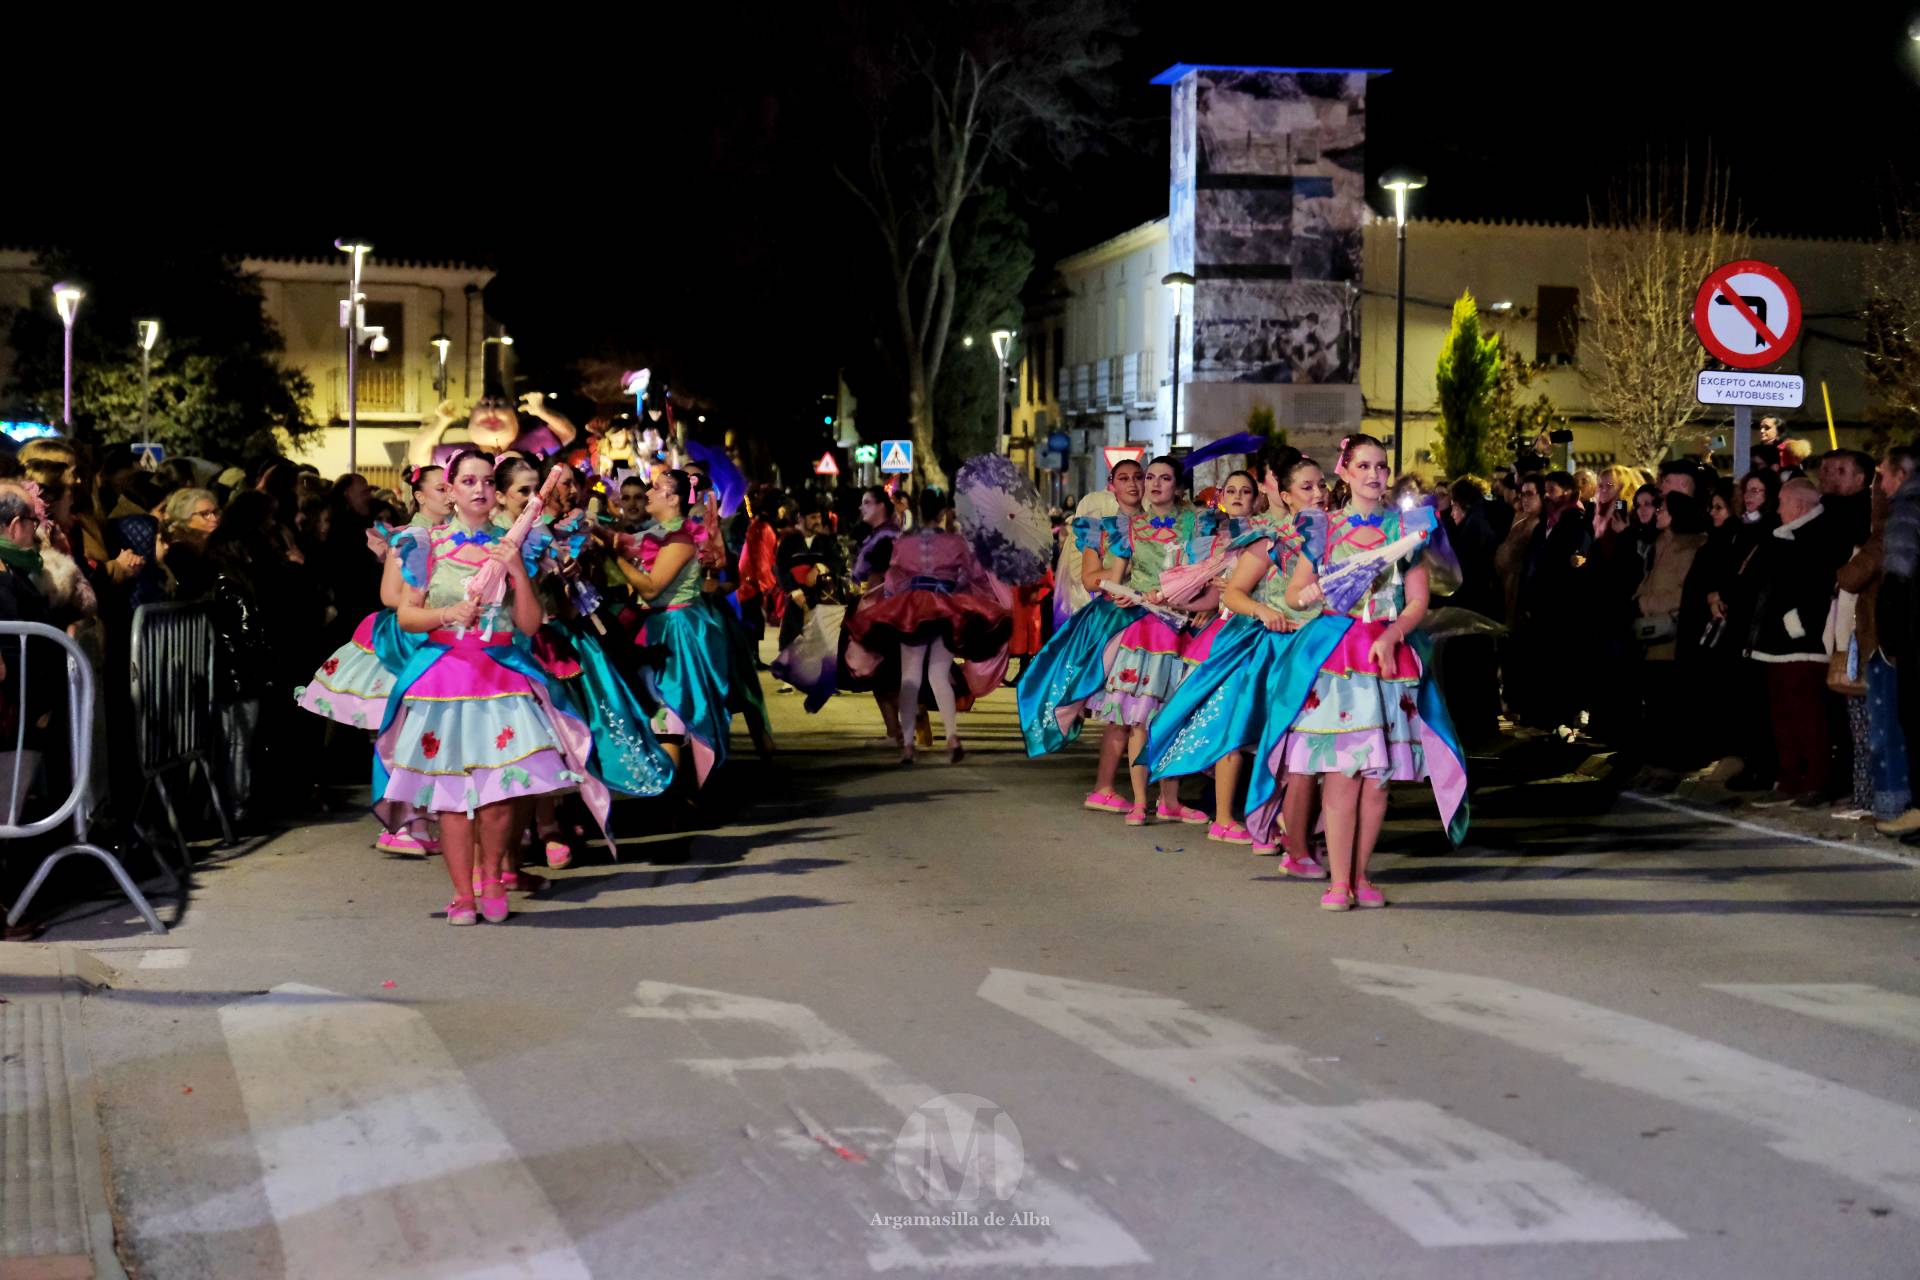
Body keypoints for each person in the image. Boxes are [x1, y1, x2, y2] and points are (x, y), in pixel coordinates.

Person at [1206, 434, 1468, 910]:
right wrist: (1317, 594)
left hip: (1387, 660)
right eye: (1364, 466)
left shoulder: (1405, 529)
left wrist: (1394, 634)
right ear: (1344, 473)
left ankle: (1362, 875)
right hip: (1337, 659)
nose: (1374, 475)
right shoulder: (1321, 527)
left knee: (1379, 780)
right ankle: (1338, 882)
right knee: (1343, 774)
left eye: (1382, 467)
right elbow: (1296, 591)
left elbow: (1417, 600)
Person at [373, 450, 606, 926]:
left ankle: (494, 877)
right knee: (451, 799)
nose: (478, 489)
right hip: (443, 679)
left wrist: (518, 571)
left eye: (485, 481)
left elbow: (529, 623)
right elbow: (406, 614)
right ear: (452, 489)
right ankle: (462, 894)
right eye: (467, 481)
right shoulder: (425, 543)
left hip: (502, 677)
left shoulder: (517, 542)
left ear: (495, 492)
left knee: (500, 795)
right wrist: (445, 615)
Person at [1148, 449, 1330, 872]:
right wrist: (1264, 611)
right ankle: (1277, 825)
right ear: (1284, 494)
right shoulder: (1272, 538)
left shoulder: (1339, 532)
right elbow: (1233, 594)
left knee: (1315, 745)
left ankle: (1299, 831)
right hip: (1278, 648)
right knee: (1277, 742)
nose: (1318, 493)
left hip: (1325, 648)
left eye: (1322, 485)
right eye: (1307, 487)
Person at [1017, 460, 1149, 807]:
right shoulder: (1097, 528)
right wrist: (1128, 572)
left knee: (1150, 709)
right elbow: (1090, 578)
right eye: (1125, 478)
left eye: (1139, 477)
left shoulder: (1161, 522)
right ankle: (1106, 787)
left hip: (1157, 620)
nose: (1133, 484)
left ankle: (1163, 794)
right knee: (1126, 708)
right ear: (1112, 484)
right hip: (1115, 621)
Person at [845, 490, 1009, 764]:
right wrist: (967, 597)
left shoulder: (905, 542)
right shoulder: (955, 542)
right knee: (938, 675)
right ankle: (952, 736)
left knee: (910, 677)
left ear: (919, 510)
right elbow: (972, 576)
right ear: (943, 512)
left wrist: (892, 604)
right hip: (946, 607)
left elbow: (894, 581)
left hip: (913, 609)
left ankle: (908, 745)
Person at [622, 468, 734, 787]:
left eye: (656, 488)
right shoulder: (659, 533)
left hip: (677, 627)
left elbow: (652, 587)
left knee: (674, 705)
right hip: (659, 624)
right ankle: (677, 791)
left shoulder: (679, 537)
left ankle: (678, 792)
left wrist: (615, 557)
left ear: (672, 498)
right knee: (661, 708)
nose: (648, 493)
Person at [1746, 478, 1848, 807]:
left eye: (1782, 503)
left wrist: (1796, 623)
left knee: (1807, 714)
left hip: (1800, 641)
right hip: (1777, 640)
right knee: (1783, 714)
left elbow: (1817, 584)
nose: (1777, 509)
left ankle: (1814, 780)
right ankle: (1789, 778)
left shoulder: (1818, 536)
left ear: (1800, 505)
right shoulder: (1785, 536)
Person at [1632, 491, 1709, 764]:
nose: (1657, 512)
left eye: (1662, 508)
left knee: (1670, 700)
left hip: (1674, 631)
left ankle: (1674, 760)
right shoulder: (1659, 543)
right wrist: (1639, 599)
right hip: (1653, 631)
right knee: (1654, 699)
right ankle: (1656, 758)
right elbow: (1651, 578)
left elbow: (1688, 591)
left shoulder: (1692, 546)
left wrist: (1650, 603)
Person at [1874, 447, 1920, 835]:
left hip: (1915, 633)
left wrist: (1889, 635)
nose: (1882, 484)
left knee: (1914, 716)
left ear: (1902, 476)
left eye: (1885, 475)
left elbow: (1898, 577)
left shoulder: (1905, 511)